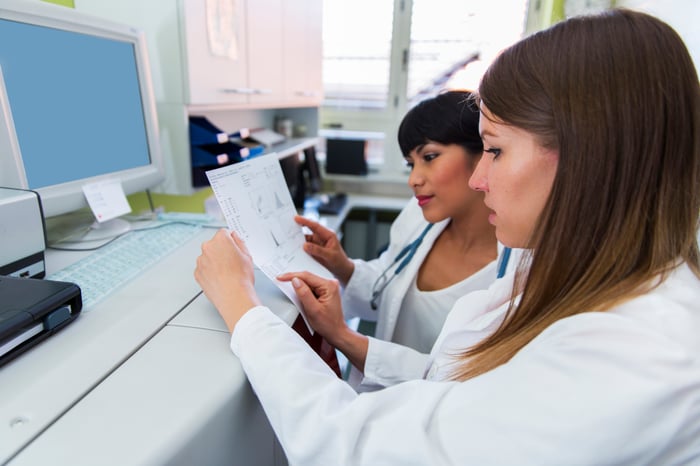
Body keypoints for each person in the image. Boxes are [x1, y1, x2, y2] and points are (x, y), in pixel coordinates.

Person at [195, 9, 700, 464]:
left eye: (495, 150)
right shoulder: (572, 271)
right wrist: (345, 327)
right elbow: (454, 386)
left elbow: (359, 449)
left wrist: (244, 310)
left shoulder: (627, 358)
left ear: (589, 156)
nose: (481, 180)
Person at [281, 90, 509, 390]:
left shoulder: (515, 275)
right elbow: (387, 294)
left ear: (484, 152)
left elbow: (458, 379)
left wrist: (342, 336)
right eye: (410, 164)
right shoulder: (419, 217)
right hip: (379, 406)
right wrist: (343, 266)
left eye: (429, 157)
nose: (414, 179)